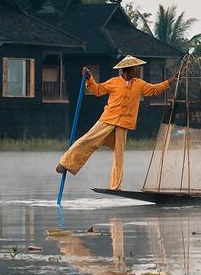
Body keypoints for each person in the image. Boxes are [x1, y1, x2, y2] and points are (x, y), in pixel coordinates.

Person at [56, 55, 181, 190]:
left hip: (123, 125)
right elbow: (97, 90)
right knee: (86, 141)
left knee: (119, 157)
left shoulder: (140, 84)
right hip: (108, 120)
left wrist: (171, 81)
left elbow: (155, 89)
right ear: (128, 70)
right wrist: (89, 78)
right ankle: (65, 163)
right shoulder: (114, 82)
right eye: (136, 69)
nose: (138, 71)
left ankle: (115, 186)